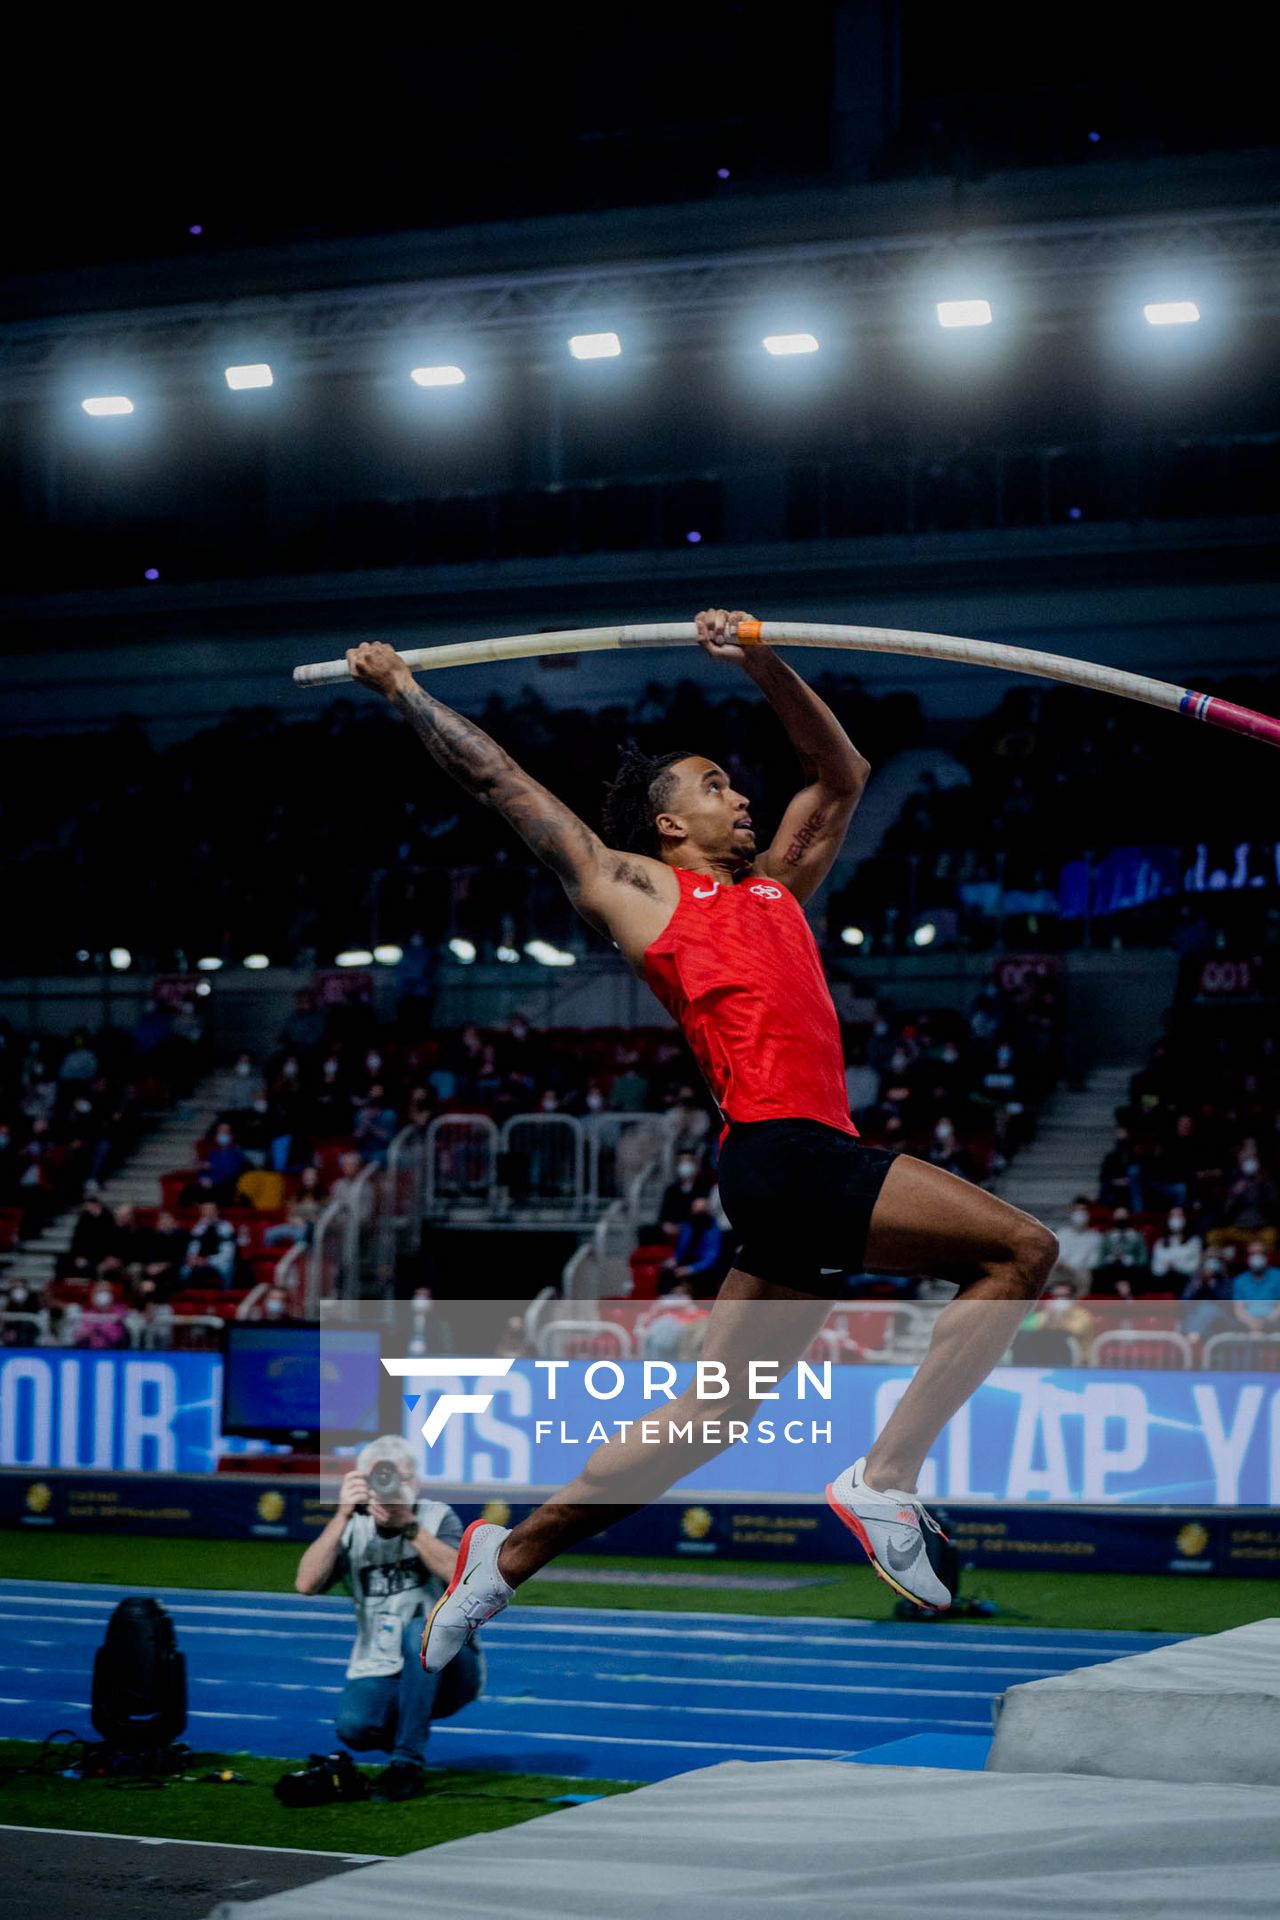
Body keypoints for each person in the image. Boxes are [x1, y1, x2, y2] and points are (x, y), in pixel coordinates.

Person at [344, 609, 1057, 1646]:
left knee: (711, 1418)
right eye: (714, 784)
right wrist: (404, 689)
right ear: (667, 824)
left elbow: (842, 770)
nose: (741, 794)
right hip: (786, 1150)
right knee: (1018, 1251)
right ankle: (884, 1477)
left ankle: (508, 1556)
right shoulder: (641, 893)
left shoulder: (776, 889)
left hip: (785, 1179)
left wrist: (762, 662)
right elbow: (503, 786)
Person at [293, 1435, 481, 1802]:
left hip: (451, 1665)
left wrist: (409, 1526)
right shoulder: (353, 1528)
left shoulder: (436, 1516)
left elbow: (464, 1580)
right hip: (381, 1664)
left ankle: (406, 1763)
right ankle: (409, 1723)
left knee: (420, 1630)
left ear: (417, 1483)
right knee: (353, 1729)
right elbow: (306, 1583)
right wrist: (342, 1514)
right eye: (378, 1478)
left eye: (401, 1478)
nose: (392, 1486)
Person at [1095, 1207, 1150, 1299]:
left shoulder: (1137, 1236)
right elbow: (1100, 1260)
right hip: (1111, 1271)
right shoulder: (1106, 1236)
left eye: (1123, 1215)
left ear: (1128, 1217)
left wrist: (1130, 1259)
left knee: (1141, 1275)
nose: (1121, 1218)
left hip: (1132, 1271)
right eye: (1118, 1216)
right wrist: (1111, 1258)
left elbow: (1143, 1259)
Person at [1054, 1199, 1103, 1291]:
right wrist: (1061, 1263)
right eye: (1076, 1210)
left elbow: (1094, 1262)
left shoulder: (1095, 1237)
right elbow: (1057, 1256)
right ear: (1071, 1213)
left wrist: (1074, 1266)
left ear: (1088, 1214)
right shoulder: (1062, 1233)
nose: (1079, 1214)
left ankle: (1079, 1304)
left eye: (1083, 1210)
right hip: (1062, 1270)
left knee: (1085, 1277)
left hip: (1081, 1272)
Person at [1230, 1241, 1280, 1331]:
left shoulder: (1277, 1276)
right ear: (1247, 1257)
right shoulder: (1240, 1280)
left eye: (1261, 1253)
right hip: (1247, 1324)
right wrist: (1251, 1322)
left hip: (1274, 1322)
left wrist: (1266, 1321)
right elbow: (1239, 1310)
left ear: (1267, 1256)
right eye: (1253, 1254)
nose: (1257, 1257)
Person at [1150, 1208, 1203, 1286]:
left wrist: (1178, 1267)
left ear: (1185, 1219)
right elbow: (1155, 1267)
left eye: (1179, 1216)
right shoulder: (1160, 1243)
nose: (1176, 1219)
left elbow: (1195, 1265)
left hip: (1185, 1281)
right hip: (1163, 1281)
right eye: (1173, 1216)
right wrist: (1166, 1268)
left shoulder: (1194, 1241)